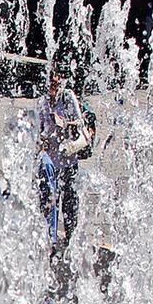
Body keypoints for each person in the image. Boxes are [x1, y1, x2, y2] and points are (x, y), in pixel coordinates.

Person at [37, 71, 94, 248]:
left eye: (56, 78)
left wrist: (63, 123)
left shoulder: (68, 97)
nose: (53, 82)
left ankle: (71, 243)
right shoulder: (43, 102)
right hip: (51, 164)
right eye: (50, 78)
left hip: (68, 162)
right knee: (49, 202)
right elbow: (39, 128)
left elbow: (80, 124)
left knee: (69, 206)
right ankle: (51, 242)